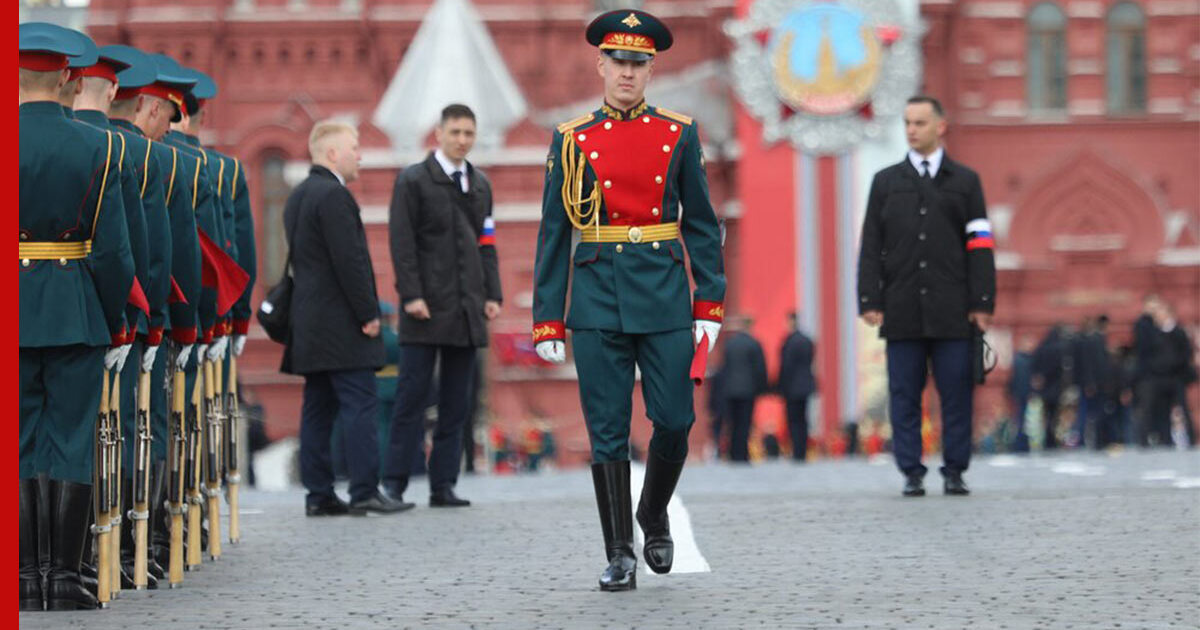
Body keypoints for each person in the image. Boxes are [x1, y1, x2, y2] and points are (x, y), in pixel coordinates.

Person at [532, 9, 725, 591]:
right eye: (618, 61)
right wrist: (547, 320)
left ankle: (653, 512)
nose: (627, 72)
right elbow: (552, 234)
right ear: (600, 64)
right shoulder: (572, 140)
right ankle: (619, 551)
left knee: (674, 420)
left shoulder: (678, 133)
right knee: (608, 432)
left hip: (665, 295)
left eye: (638, 63)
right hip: (595, 300)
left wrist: (709, 305)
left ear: (650, 70)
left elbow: (702, 226)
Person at [20, 22, 136, 611]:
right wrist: (112, 316)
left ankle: (20, 577)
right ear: (67, 76)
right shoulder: (100, 146)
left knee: (17, 442)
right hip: (75, 308)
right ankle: (64, 578)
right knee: (69, 440)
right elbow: (114, 251)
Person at [856, 95, 996, 497]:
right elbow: (871, 244)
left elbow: (981, 244)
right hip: (901, 308)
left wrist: (982, 303)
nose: (912, 130)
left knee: (956, 392)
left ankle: (955, 469)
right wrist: (869, 299)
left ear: (940, 126)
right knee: (904, 394)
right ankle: (911, 471)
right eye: (907, 123)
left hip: (954, 311)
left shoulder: (966, 183)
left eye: (920, 123)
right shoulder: (886, 182)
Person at [281, 120, 406, 516]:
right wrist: (369, 313)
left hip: (309, 324)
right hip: (342, 325)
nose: (360, 155)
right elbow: (350, 261)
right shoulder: (335, 196)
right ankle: (365, 490)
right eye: (354, 148)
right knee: (360, 404)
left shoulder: (298, 195)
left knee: (317, 408)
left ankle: (318, 494)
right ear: (333, 153)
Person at [384, 103, 503, 508]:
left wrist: (493, 294)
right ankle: (395, 484)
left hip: (467, 309)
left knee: (457, 403)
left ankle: (443, 486)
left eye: (469, 133)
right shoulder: (413, 181)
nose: (462, 140)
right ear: (439, 133)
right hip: (425, 310)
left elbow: (487, 243)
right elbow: (402, 244)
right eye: (455, 132)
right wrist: (411, 295)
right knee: (411, 399)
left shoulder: (481, 185)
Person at [720, 316, 768, 463]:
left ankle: (733, 453)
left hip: (730, 389)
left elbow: (725, 368)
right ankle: (742, 454)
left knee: (732, 422)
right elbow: (760, 369)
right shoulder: (754, 344)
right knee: (744, 423)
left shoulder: (729, 344)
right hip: (748, 390)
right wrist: (762, 389)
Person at [777, 311, 816, 462]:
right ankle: (802, 451)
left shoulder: (789, 342)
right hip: (805, 385)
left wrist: (780, 387)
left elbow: (786, 367)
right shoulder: (807, 340)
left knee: (793, 420)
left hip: (792, 387)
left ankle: (797, 452)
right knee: (803, 419)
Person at [1007, 335, 1036, 452]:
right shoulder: (1024, 360)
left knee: (1022, 419)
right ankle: (1021, 444)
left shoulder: (1018, 359)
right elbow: (1021, 379)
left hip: (1020, 393)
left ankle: (1021, 444)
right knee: (1023, 419)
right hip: (1023, 394)